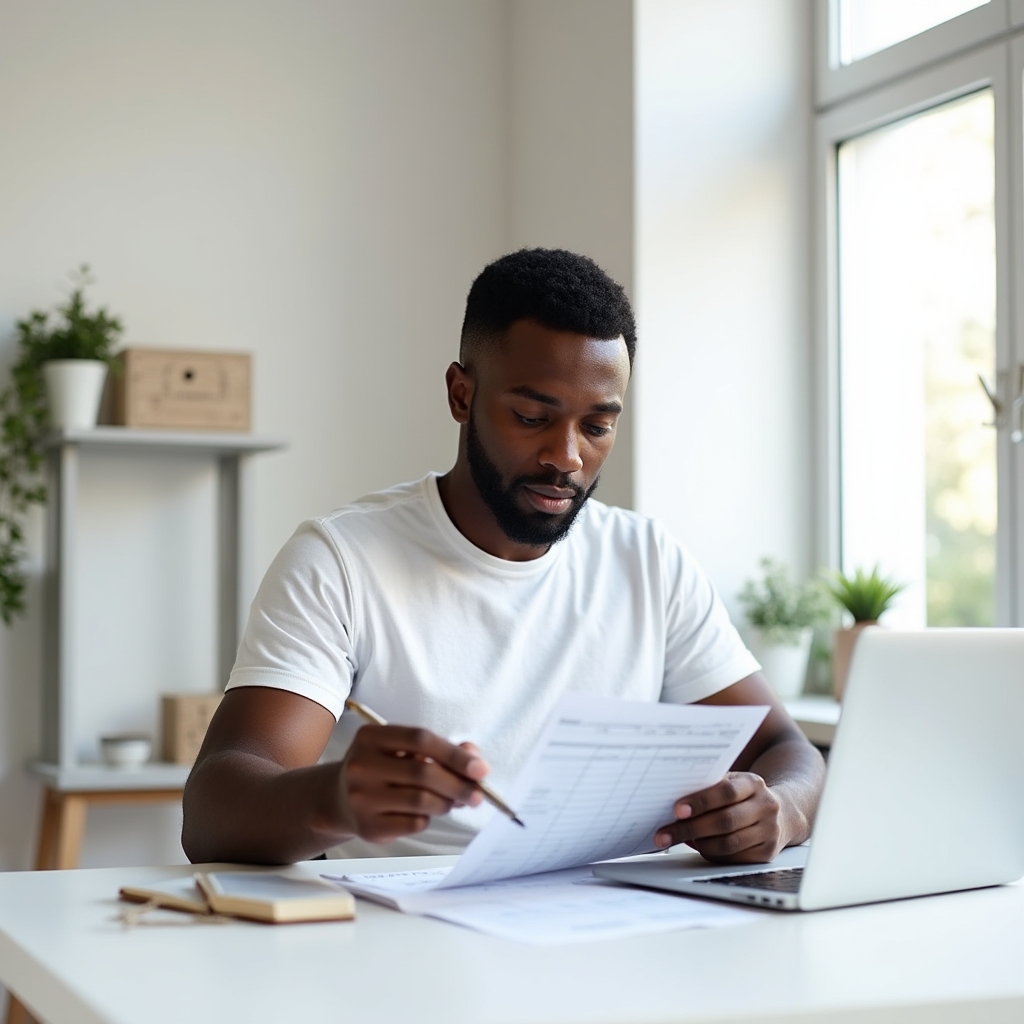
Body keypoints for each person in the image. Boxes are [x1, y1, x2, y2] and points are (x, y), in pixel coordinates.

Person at [182, 248, 825, 866]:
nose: (567, 456)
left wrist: (782, 810)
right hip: (408, 942)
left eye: (597, 426)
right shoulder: (341, 560)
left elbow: (783, 748)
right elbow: (212, 813)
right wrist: (334, 797)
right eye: (530, 416)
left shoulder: (649, 561)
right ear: (462, 395)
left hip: (613, 932)